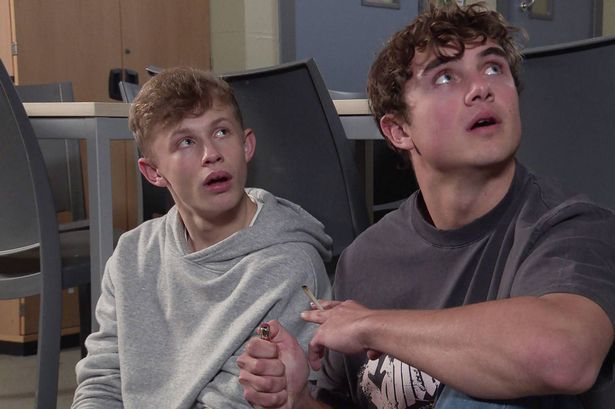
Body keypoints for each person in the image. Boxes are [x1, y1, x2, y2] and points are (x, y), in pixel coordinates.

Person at [237, 3, 615, 409]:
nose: (481, 88)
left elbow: (563, 357)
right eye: (446, 77)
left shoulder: (571, 228)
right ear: (399, 130)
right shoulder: (365, 260)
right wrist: (297, 400)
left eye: (493, 68)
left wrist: (371, 325)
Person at [71, 67, 332, 408]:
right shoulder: (131, 255)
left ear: (246, 145)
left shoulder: (290, 265)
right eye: (186, 142)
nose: (212, 153)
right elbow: (102, 382)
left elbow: (254, 399)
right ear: (153, 172)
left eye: (221, 132)